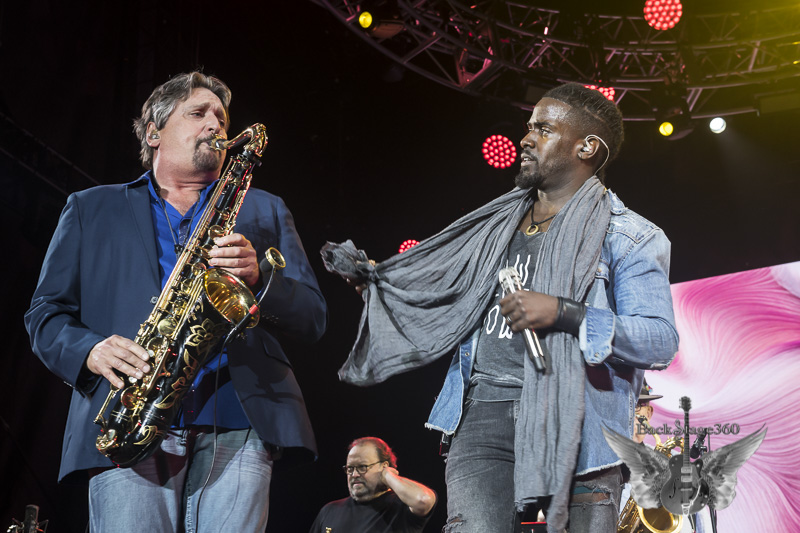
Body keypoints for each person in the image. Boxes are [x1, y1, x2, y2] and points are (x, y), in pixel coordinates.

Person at [322, 83, 678, 533]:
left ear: (587, 147)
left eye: (543, 130)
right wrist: (383, 287)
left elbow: (659, 340)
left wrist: (565, 312)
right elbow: (451, 304)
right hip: (482, 414)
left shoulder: (630, 236)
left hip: (580, 423)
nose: (525, 139)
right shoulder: (493, 225)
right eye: (529, 127)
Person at [25, 71, 327, 532]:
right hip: (131, 413)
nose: (216, 125)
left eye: (222, 118)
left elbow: (313, 317)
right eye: (198, 113)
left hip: (240, 418)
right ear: (154, 133)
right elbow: (45, 314)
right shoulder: (90, 207)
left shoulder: (266, 207)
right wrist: (91, 350)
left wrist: (260, 276)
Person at [309, 437, 437, 532]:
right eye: (350, 468)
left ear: (384, 466)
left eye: (362, 467)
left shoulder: (401, 507)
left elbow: (423, 500)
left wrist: (388, 475)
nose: (354, 474)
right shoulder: (329, 511)